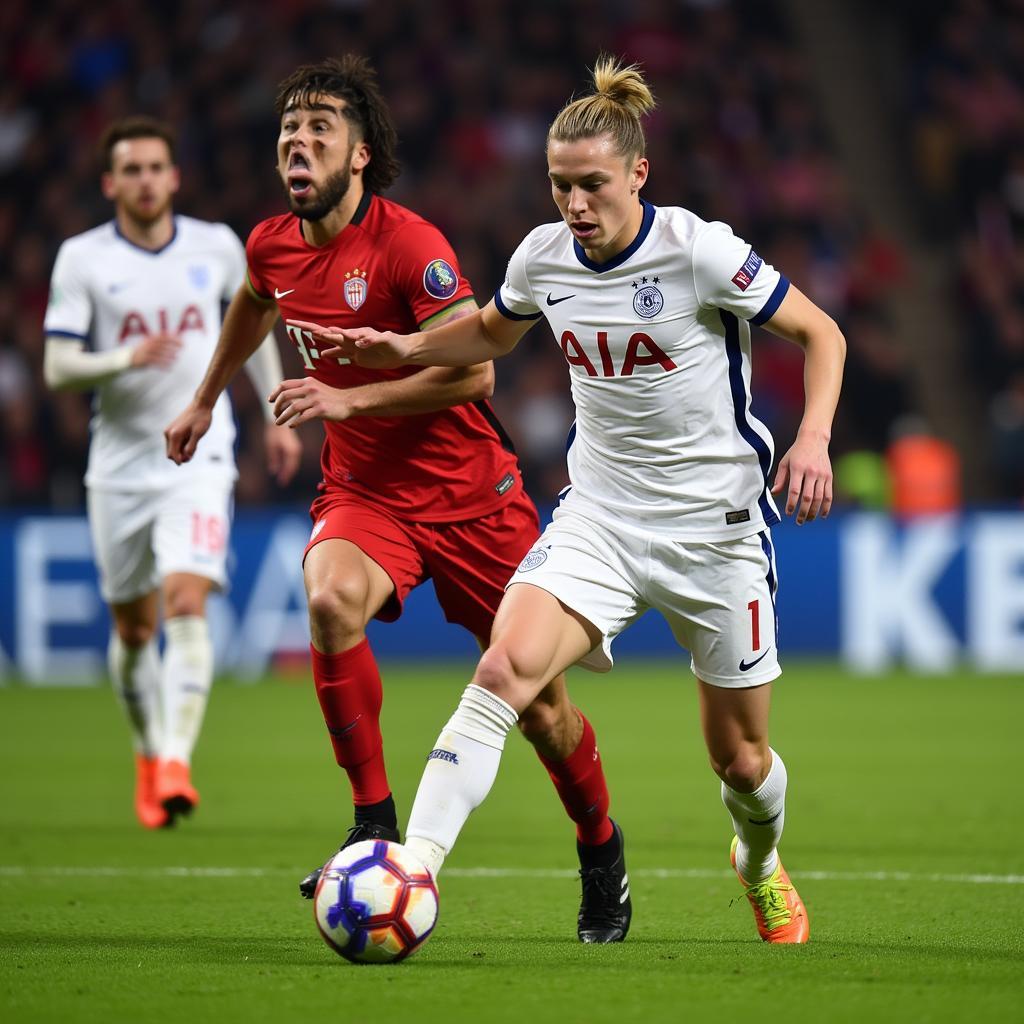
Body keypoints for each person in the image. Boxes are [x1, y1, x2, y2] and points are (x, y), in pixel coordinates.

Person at [299, 56, 847, 945]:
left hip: (715, 531)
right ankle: (414, 870)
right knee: (503, 671)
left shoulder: (698, 248)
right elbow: (488, 332)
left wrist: (814, 438)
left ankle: (759, 862)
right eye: (560, 185)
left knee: (741, 762)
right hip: (599, 518)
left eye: (592, 184)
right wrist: (396, 350)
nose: (575, 204)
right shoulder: (543, 255)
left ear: (638, 173)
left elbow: (820, 331)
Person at [164, 56, 630, 944]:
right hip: (366, 493)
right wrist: (203, 395)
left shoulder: (410, 246)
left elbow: (475, 372)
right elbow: (252, 304)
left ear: (361, 155)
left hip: (472, 498)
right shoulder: (270, 244)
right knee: (330, 596)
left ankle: (600, 846)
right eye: (288, 134)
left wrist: (348, 398)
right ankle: (374, 822)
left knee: (541, 710)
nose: (297, 146)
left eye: (319, 133)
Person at [43, 116, 301, 830]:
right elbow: (58, 366)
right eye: (131, 170)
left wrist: (275, 412)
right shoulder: (83, 259)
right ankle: (147, 752)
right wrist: (121, 359)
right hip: (120, 465)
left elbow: (251, 325)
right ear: (110, 183)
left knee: (188, 601)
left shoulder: (216, 247)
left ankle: (177, 761)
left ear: (174, 176)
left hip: (199, 454)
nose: (146, 180)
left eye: (156, 167)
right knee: (132, 631)